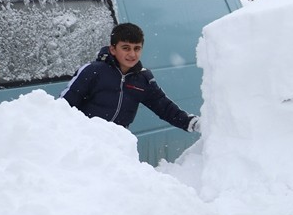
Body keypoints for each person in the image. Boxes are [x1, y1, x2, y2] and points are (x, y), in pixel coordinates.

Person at [61, 22, 200, 133]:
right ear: (113, 49)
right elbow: (64, 106)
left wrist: (190, 122)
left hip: (117, 145)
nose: (132, 54)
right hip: (85, 141)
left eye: (137, 48)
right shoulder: (93, 71)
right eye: (126, 48)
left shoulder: (142, 79)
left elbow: (164, 107)